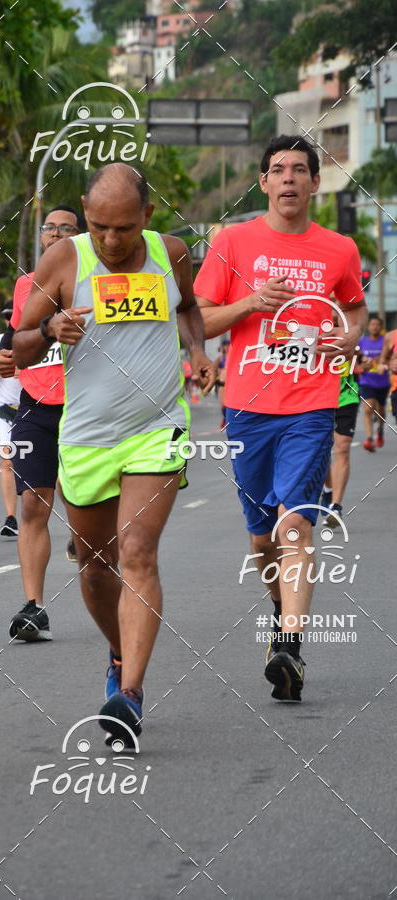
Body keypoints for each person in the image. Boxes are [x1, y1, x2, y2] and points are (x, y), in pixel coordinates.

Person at [13, 163, 216, 743]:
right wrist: (50, 329)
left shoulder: (172, 253)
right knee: (95, 567)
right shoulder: (64, 261)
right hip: (86, 436)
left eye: (123, 228)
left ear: (147, 218)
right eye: (99, 226)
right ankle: (119, 652)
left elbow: (188, 307)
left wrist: (199, 350)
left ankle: (129, 695)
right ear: (85, 212)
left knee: (137, 552)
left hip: (156, 427)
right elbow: (19, 346)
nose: (109, 240)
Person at [194, 135, 368, 702]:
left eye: (300, 169)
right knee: (261, 537)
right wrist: (250, 304)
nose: (289, 178)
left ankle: (290, 646)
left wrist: (350, 335)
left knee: (296, 525)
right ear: (264, 183)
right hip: (247, 406)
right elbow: (196, 320)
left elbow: (356, 304)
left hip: (312, 406)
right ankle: (278, 611)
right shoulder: (234, 241)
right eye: (278, 170)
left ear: (316, 183)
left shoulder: (339, 249)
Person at [0, 206, 86, 643]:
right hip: (35, 405)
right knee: (33, 505)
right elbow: (16, 335)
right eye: (48, 228)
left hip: (86, 408)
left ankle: (85, 543)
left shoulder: (93, 283)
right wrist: (2, 354)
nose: (54, 234)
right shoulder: (24, 285)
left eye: (64, 228)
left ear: (78, 237)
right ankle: (34, 608)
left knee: (84, 509)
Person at [0, 304, 22, 537]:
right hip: (4, 406)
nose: (11, 321)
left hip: (34, 407)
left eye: (15, 316)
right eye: (8, 318)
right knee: (7, 461)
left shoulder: (41, 339)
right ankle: (11, 518)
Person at [322, 356, 360, 528]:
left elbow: (361, 356)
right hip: (315, 398)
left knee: (342, 448)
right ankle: (328, 489)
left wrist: (362, 362)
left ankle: (335, 507)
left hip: (346, 396)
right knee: (319, 452)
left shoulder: (350, 330)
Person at [359, 314, 390, 451]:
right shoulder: (362, 342)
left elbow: (391, 359)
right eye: (372, 324)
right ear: (368, 326)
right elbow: (356, 360)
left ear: (381, 327)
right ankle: (369, 438)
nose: (375, 327)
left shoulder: (386, 342)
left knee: (381, 411)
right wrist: (360, 367)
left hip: (383, 382)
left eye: (377, 325)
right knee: (368, 408)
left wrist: (384, 365)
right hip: (366, 380)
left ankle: (380, 430)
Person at [215, 338, 230, 429]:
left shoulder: (234, 355)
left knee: (230, 404)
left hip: (232, 383)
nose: (227, 347)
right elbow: (214, 367)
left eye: (228, 345)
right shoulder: (221, 357)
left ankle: (228, 421)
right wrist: (220, 371)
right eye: (225, 345)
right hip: (222, 383)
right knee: (223, 404)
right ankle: (225, 419)